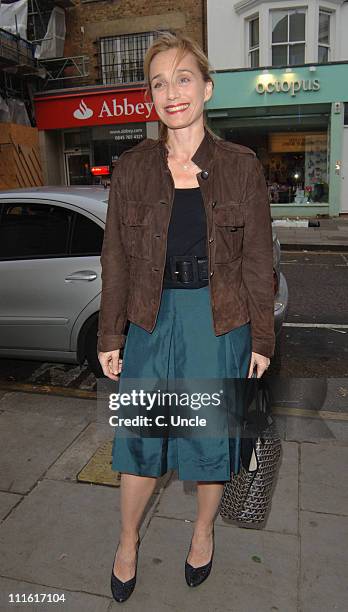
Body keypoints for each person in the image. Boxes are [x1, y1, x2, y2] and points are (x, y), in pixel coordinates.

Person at [97, 32, 275, 603]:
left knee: (208, 441)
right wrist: (110, 332)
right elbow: (117, 258)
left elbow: (257, 259)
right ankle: (127, 543)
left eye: (183, 78)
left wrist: (262, 340)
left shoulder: (240, 166)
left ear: (207, 88)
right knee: (139, 440)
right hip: (149, 318)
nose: (171, 92)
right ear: (150, 96)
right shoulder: (131, 167)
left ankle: (203, 532)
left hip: (218, 320)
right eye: (158, 82)